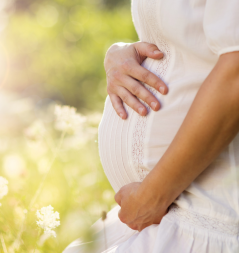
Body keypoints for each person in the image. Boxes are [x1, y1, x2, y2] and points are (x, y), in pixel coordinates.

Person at [64, 0, 239, 252]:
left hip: (204, 217)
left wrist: (154, 194)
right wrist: (123, 52)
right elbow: (183, 43)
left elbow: (235, 71)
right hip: (155, 218)